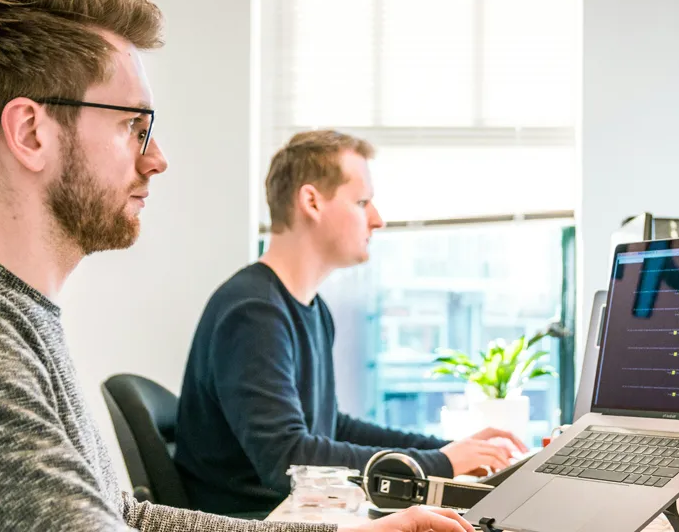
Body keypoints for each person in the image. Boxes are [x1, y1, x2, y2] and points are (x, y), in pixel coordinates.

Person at [0, 0, 475, 532]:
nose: (157, 158)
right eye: (133, 125)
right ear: (31, 133)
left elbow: (123, 514)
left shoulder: (6, 311)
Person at [175, 130, 526, 516]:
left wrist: (446, 450)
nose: (378, 220)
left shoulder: (310, 309)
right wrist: (440, 464)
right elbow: (289, 460)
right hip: (253, 520)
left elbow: (331, 428)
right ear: (311, 202)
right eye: (362, 202)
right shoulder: (253, 313)